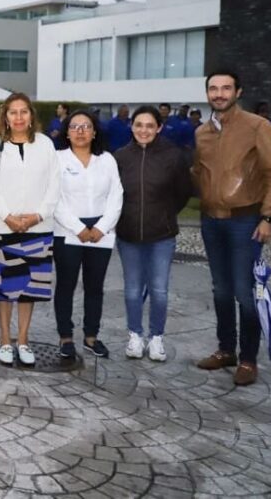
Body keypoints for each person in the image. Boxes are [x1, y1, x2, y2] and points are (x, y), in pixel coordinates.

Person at [193, 71, 271, 386]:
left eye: (226, 88)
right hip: (211, 221)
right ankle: (226, 350)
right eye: (213, 88)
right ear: (207, 93)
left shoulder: (258, 126)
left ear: (238, 91)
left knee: (245, 293)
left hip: (245, 221)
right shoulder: (202, 132)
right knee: (221, 290)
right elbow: (199, 172)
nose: (219, 94)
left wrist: (269, 216)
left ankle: (248, 359)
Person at [0, 92, 59, 366]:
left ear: (31, 115)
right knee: (4, 288)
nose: (18, 117)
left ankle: (23, 340)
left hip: (38, 228)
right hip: (2, 228)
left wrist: (37, 216)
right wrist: (9, 217)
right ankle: (5, 339)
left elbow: (54, 185)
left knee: (29, 289)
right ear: (5, 116)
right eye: (12, 112)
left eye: (23, 111)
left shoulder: (45, 144)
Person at [114, 105, 192, 363]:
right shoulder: (121, 156)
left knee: (159, 290)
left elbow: (183, 192)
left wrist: (165, 214)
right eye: (139, 125)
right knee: (132, 290)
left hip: (161, 235)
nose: (144, 130)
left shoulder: (173, 156)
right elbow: (113, 195)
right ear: (132, 126)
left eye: (150, 126)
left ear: (159, 127)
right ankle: (135, 336)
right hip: (128, 235)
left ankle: (156, 337)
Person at [52, 110, 123, 360]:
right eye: (74, 126)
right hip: (67, 231)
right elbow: (54, 198)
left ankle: (91, 336)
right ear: (66, 132)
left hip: (101, 232)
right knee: (66, 285)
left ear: (94, 132)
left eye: (86, 126)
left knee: (95, 286)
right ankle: (65, 337)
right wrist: (78, 228)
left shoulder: (107, 160)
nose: (80, 131)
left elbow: (116, 196)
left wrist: (101, 227)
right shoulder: (57, 159)